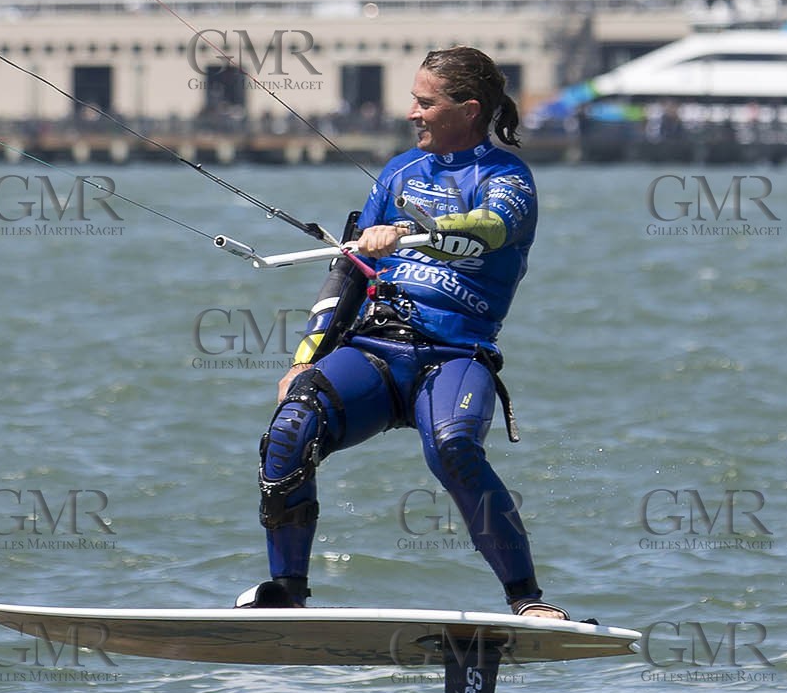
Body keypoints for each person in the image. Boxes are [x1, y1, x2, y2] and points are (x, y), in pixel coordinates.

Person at [238, 46, 576, 621]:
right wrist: (306, 356)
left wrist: (412, 232)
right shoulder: (399, 173)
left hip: (453, 356)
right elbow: (346, 270)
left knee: (454, 446)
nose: (412, 113)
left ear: (468, 110)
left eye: (425, 103)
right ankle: (287, 594)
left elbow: (490, 230)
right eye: (413, 102)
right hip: (373, 349)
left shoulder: (508, 179)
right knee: (291, 427)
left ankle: (527, 600)